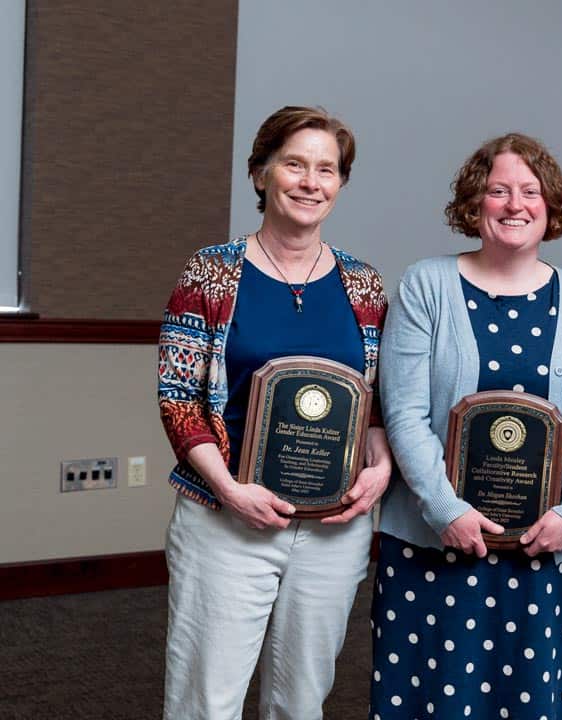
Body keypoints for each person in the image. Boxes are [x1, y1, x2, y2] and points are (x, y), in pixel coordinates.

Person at [371, 133, 562, 719]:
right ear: (473, 203)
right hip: (435, 543)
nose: (515, 204)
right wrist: (444, 507)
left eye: (530, 191)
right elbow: (402, 409)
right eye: (498, 190)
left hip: (547, 545)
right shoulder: (426, 285)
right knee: (431, 698)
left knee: (533, 700)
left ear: (550, 205)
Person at [157, 105, 390, 718]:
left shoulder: (364, 286)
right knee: (206, 700)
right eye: (295, 164)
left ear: (340, 183)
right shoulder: (210, 272)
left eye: (328, 169)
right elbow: (178, 397)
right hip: (226, 520)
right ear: (261, 174)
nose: (311, 182)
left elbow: (376, 403)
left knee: (301, 701)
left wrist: (381, 466)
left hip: (333, 531)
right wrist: (230, 490)